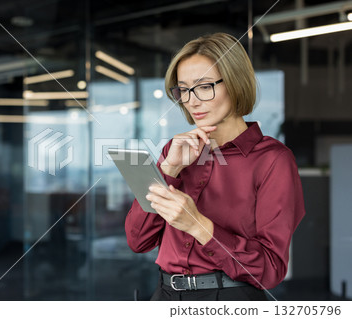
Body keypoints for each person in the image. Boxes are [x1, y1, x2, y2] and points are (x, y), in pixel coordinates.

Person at [124, 33, 305, 301]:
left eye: (204, 86)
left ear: (234, 83)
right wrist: (168, 171)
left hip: (231, 300)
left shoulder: (273, 160)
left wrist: (199, 226)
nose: (192, 101)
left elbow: (270, 269)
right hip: (164, 296)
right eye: (183, 89)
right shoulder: (174, 151)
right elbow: (137, 240)